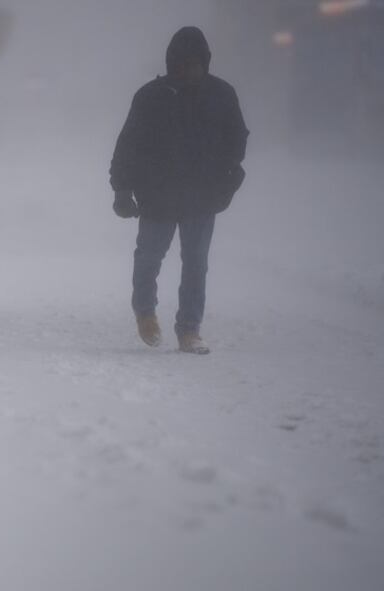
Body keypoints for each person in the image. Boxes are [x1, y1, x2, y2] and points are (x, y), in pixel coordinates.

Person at [110, 26, 248, 354]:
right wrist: (121, 190)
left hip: (201, 198)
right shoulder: (150, 97)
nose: (187, 70)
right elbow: (127, 146)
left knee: (196, 262)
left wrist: (228, 179)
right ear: (171, 63)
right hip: (156, 196)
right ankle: (145, 312)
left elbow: (237, 139)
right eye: (181, 64)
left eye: (194, 63)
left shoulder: (222, 95)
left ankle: (189, 330)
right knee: (149, 257)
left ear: (205, 62)